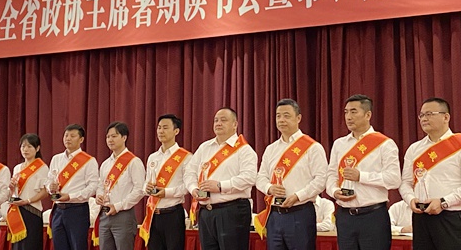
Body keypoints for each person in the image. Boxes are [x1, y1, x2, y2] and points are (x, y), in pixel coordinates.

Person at [399, 97, 461, 249]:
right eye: (421, 115)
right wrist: (410, 199)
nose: (424, 119)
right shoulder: (414, 149)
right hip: (421, 218)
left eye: (429, 114)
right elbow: (405, 182)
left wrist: (443, 202)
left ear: (446, 117)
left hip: (452, 218)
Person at [326, 94, 401, 250]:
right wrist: (334, 191)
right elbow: (331, 175)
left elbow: (394, 179)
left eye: (354, 112)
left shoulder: (385, 144)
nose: (348, 117)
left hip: (372, 216)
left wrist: (361, 176)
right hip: (345, 216)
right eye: (346, 112)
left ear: (368, 115)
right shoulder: (339, 144)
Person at [255, 98, 328, 250]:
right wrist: (269, 188)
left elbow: (321, 180)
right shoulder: (271, 149)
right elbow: (260, 178)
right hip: (275, 215)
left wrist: (298, 196)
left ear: (298, 118)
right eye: (278, 116)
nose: (281, 120)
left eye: (286, 115)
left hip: (300, 213)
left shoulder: (312, 147)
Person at [184, 107, 258, 250]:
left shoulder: (244, 150)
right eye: (216, 120)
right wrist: (193, 189)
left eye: (223, 120)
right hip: (206, 211)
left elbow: (249, 178)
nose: (218, 123)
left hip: (232, 211)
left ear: (235, 124)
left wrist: (220, 186)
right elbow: (189, 172)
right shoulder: (205, 147)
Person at [139, 114, 192, 250]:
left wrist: (166, 193)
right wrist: (146, 188)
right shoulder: (153, 157)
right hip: (153, 214)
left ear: (176, 131)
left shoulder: (185, 157)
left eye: (165, 128)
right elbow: (146, 183)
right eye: (159, 128)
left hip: (173, 214)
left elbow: (187, 186)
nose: (161, 131)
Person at [47, 124, 99, 250]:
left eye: (72, 136)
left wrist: (70, 196)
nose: (68, 138)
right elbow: (48, 180)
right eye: (66, 135)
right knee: (59, 246)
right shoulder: (56, 159)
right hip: (58, 210)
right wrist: (50, 187)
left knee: (78, 246)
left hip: (77, 210)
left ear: (81, 139)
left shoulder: (89, 161)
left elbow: (93, 186)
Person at [94, 121, 145, 250]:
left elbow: (140, 190)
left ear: (124, 137)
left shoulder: (134, 162)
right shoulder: (106, 163)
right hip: (105, 214)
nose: (110, 140)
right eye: (108, 137)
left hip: (123, 215)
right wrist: (99, 195)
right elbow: (101, 185)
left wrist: (118, 206)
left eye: (114, 136)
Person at [7, 133, 50, 250]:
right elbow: (14, 193)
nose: (25, 149)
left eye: (29, 146)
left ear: (37, 148)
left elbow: (45, 192)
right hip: (17, 210)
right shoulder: (17, 168)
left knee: (30, 244)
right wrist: (11, 188)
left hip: (32, 210)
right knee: (18, 246)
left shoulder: (42, 167)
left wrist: (27, 201)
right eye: (23, 146)